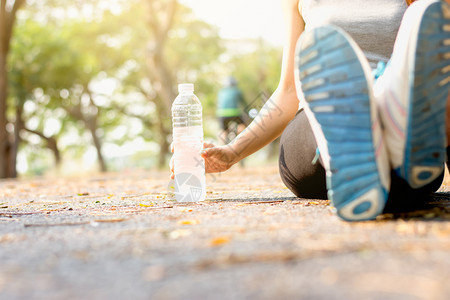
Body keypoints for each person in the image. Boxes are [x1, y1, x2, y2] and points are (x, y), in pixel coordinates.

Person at [171, 0, 450, 221]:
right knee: (338, 106)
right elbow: (289, 92)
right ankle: (356, 136)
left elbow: (441, 82)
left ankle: (380, 130)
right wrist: (231, 152)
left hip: (411, 143)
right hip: (317, 143)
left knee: (420, 22)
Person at [216, 76, 247, 144]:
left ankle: (221, 145)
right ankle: (241, 143)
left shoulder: (221, 92)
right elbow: (244, 103)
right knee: (242, 126)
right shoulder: (237, 91)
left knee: (223, 131)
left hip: (221, 114)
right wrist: (248, 110)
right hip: (234, 113)